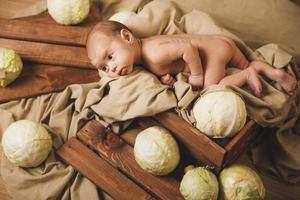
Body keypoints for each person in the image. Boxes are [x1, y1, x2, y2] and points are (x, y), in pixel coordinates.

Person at [86, 21, 298, 96]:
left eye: (111, 57)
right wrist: (166, 80)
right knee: (247, 61)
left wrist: (197, 75)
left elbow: (187, 48)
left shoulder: (154, 53)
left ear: (127, 36)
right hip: (220, 44)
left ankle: (247, 74)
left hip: (213, 54)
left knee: (211, 88)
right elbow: (174, 59)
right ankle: (274, 72)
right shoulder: (144, 53)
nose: (111, 68)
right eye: (104, 67)